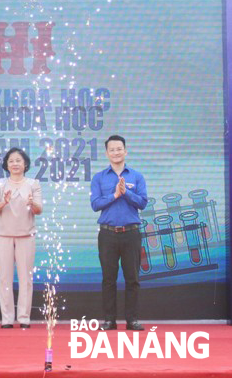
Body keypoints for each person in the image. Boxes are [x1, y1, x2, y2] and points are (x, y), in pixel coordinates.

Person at [90, 135, 148, 331]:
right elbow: (95, 204)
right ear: (107, 153)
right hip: (107, 234)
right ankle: (109, 320)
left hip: (131, 233)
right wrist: (114, 195)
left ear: (125, 151)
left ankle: (132, 320)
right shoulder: (99, 177)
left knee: (132, 278)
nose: (116, 152)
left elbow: (142, 202)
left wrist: (127, 193)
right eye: (112, 149)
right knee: (108, 278)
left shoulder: (136, 176)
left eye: (119, 149)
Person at [0, 147, 42, 329]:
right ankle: (7, 318)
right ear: (6, 164)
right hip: (3, 235)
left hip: (26, 235)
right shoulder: (0, 183)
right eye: (11, 161)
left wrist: (32, 203)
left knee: (26, 278)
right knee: (5, 278)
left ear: (25, 164)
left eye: (18, 161)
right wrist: (4, 201)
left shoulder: (33, 183)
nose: (15, 164)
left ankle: (24, 317)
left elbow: (39, 210)